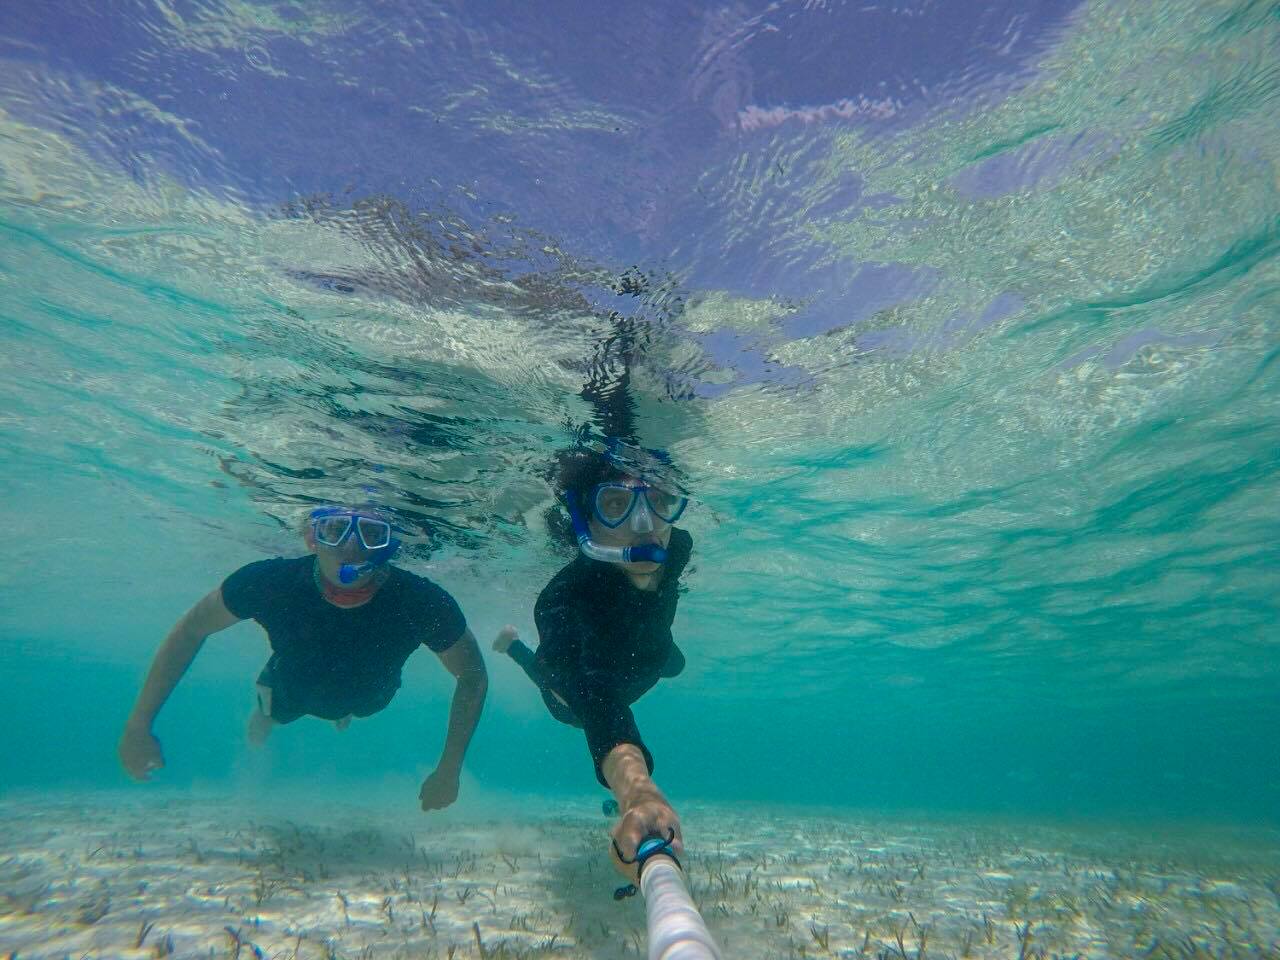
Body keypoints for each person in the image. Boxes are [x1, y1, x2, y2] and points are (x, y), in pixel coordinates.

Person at [117, 504, 487, 810]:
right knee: (276, 708)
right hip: (289, 688)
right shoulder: (269, 583)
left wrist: (450, 768)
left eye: (372, 534)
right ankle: (264, 715)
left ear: (389, 546)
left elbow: (472, 675)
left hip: (370, 697)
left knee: (360, 705)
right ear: (312, 538)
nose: (351, 547)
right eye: (335, 529)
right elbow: (192, 628)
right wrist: (138, 723)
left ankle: (338, 712)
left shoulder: (423, 603)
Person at [494, 438, 693, 874]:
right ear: (587, 521)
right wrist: (637, 792)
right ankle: (515, 650)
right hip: (580, 695)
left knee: (668, 660)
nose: (644, 525)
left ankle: (665, 657)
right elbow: (597, 695)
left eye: (660, 501)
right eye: (616, 504)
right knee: (559, 690)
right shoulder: (562, 600)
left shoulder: (677, 548)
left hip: (651, 656)